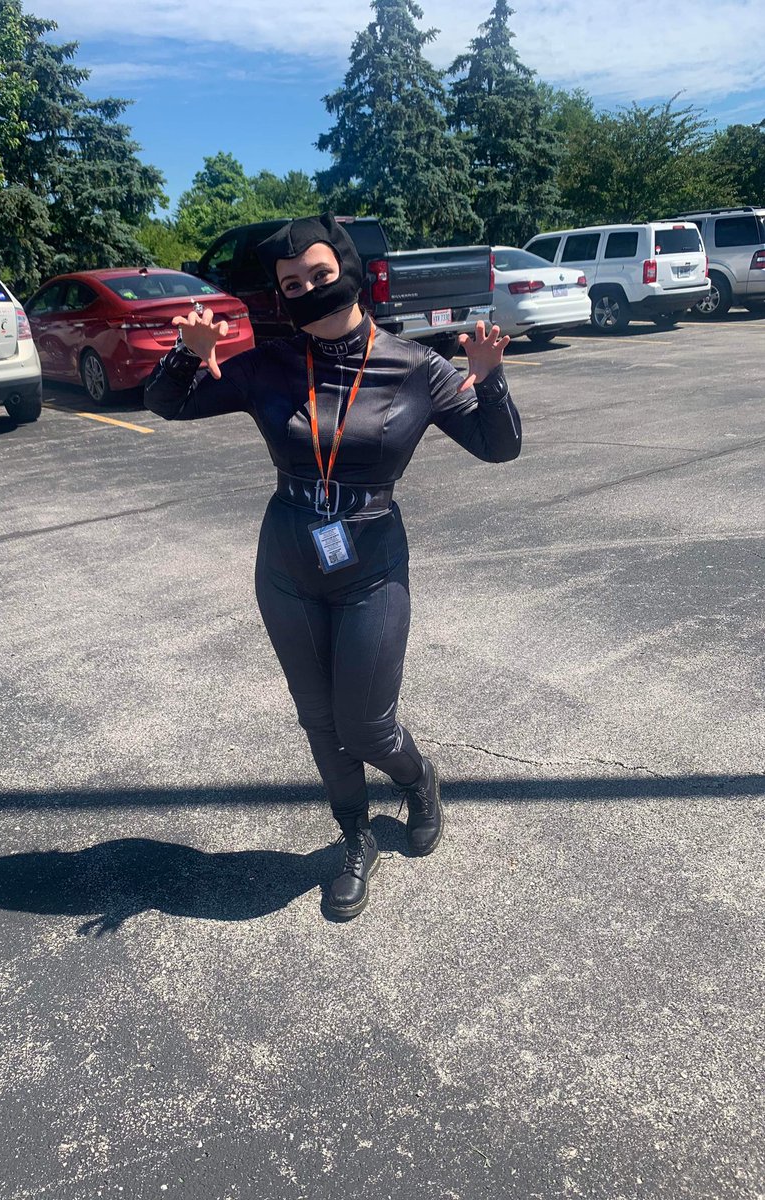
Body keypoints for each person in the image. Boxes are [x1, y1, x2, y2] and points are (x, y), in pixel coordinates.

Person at [145, 214, 521, 920]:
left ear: (347, 270)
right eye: (292, 284)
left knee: (366, 725)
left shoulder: (416, 367)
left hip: (371, 562)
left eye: (319, 274)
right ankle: (355, 838)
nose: (309, 290)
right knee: (319, 720)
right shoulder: (269, 365)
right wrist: (187, 355)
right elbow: (168, 405)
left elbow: (498, 448)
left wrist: (491, 380)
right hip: (287, 559)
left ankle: (418, 780)